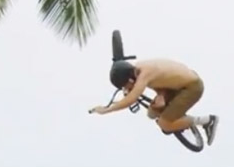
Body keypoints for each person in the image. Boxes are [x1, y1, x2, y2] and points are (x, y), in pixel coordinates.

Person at [89, 58, 220, 146]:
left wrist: (106, 109)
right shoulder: (138, 68)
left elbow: (132, 98)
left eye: (125, 86)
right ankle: (174, 116)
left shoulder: (145, 74)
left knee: (165, 124)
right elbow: (162, 79)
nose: (126, 89)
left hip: (191, 88)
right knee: (152, 113)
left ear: (130, 80)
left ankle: (207, 121)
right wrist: (161, 95)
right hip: (175, 85)